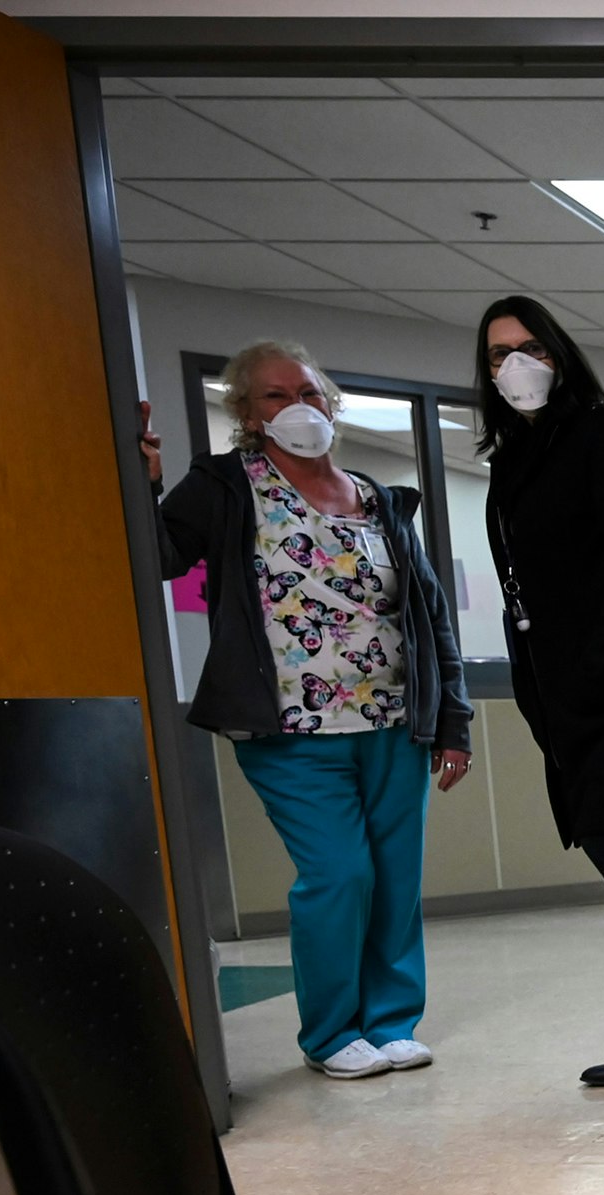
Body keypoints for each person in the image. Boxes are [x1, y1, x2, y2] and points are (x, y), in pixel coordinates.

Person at [143, 341, 471, 1080]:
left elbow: (428, 618)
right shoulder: (226, 485)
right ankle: (330, 1032)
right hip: (291, 727)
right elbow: (157, 555)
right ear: (248, 416)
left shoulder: (378, 498)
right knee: (337, 873)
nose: (298, 406)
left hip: (393, 720)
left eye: (309, 392)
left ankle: (391, 1021)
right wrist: (142, 478)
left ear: (331, 403)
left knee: (393, 877)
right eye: (273, 396)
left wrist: (453, 722)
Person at [472, 296, 604, 1103]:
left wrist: (599, 667)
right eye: (497, 355)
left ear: (560, 354)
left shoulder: (602, 437)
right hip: (560, 700)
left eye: (529, 347)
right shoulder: (513, 458)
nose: (514, 366)